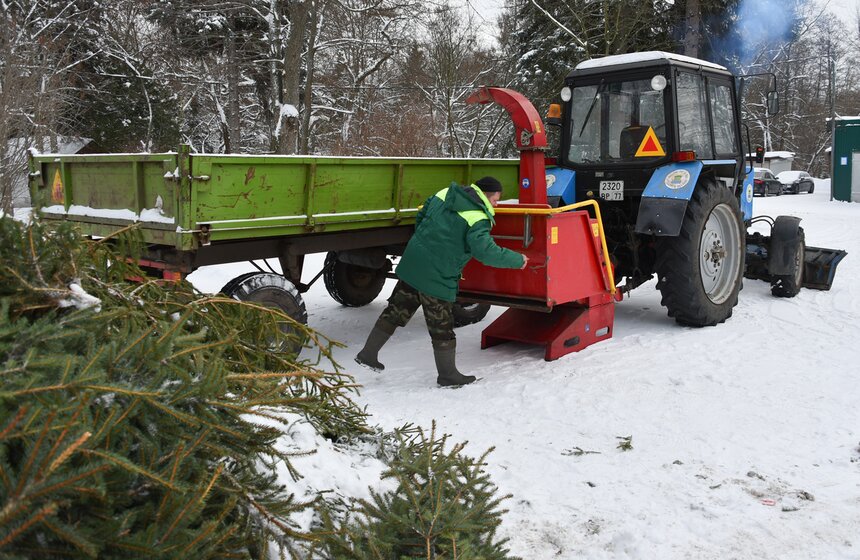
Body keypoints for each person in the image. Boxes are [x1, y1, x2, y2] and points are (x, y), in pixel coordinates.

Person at [355, 176, 528, 387]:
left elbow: (422, 215)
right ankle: (448, 375)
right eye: (496, 200)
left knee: (396, 310)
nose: (496, 205)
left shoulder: (445, 193)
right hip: (437, 274)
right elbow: (485, 252)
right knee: (441, 325)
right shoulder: (477, 216)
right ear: (487, 195)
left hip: (414, 263)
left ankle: (367, 354)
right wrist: (517, 260)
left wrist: (426, 241)